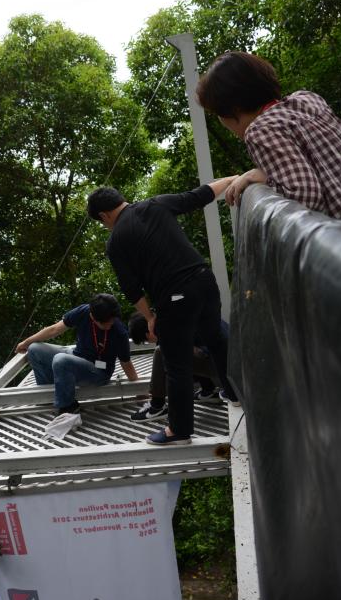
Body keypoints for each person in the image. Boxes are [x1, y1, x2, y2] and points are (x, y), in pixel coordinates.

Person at [195, 50, 341, 258]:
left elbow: (305, 196)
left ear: (232, 109)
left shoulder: (260, 130)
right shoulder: (307, 100)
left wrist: (263, 176)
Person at [87, 178, 238, 446]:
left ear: (104, 214)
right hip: (204, 280)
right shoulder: (156, 204)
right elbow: (200, 195)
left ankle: (178, 430)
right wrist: (235, 179)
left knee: (176, 364)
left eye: (103, 222)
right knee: (216, 339)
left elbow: (132, 289)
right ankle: (235, 392)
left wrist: (150, 317)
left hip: (175, 295)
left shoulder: (116, 240)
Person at [16, 293, 138, 414]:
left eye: (112, 320)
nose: (110, 324)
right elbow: (54, 329)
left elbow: (126, 363)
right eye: (106, 322)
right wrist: (26, 342)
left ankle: (68, 407)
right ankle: (46, 397)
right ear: (92, 317)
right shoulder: (84, 312)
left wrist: (139, 391)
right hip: (76, 355)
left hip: (99, 370)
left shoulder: (119, 332)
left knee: (61, 360)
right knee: (34, 349)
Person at [127, 313, 239, 422]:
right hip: (232, 366)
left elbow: (201, 353)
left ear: (148, 334)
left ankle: (157, 406)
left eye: (145, 340)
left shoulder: (168, 330)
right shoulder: (174, 315)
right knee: (179, 350)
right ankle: (208, 390)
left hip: (226, 375)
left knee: (161, 352)